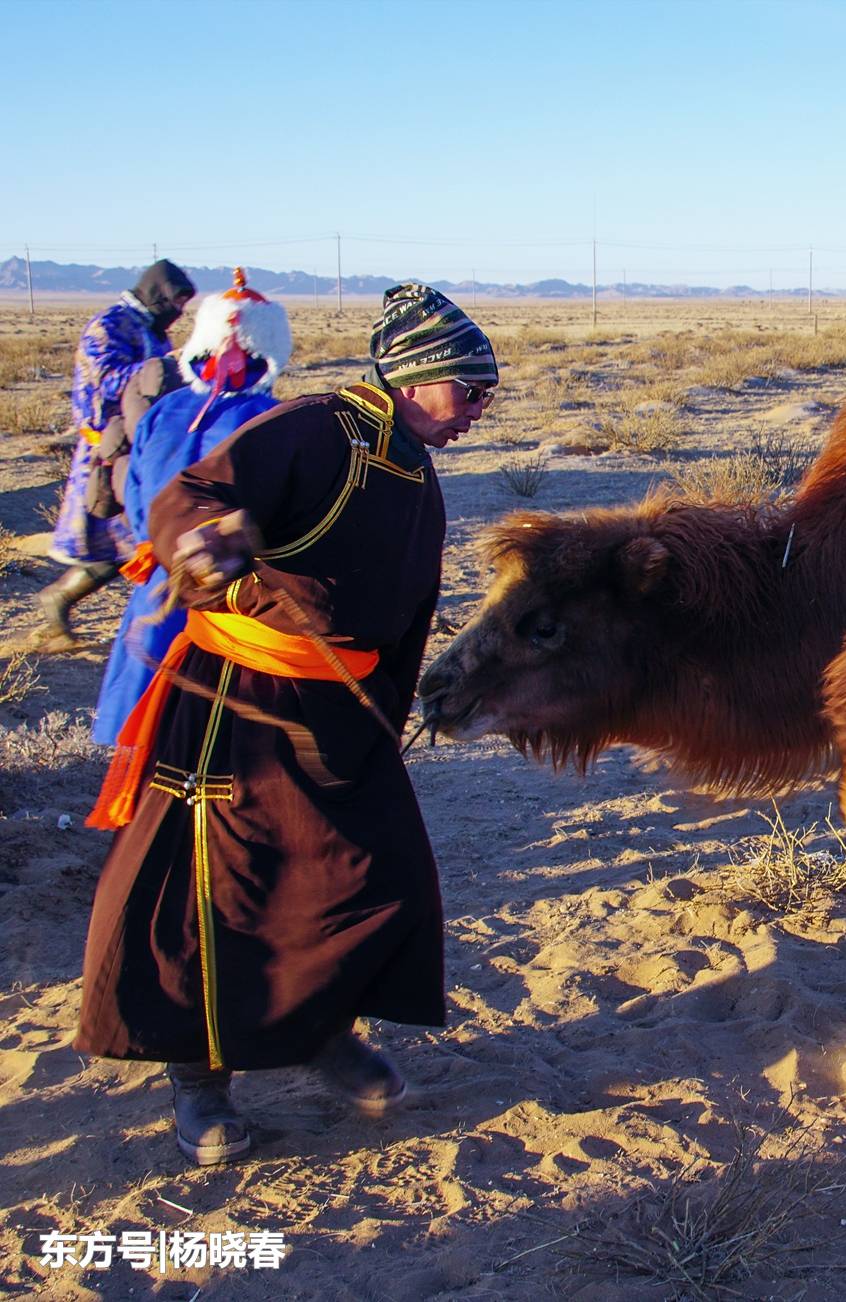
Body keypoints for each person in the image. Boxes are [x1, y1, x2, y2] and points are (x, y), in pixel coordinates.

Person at [75, 282, 497, 1165]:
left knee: (369, 877)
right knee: (216, 895)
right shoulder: (316, 427)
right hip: (237, 705)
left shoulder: (410, 466)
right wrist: (203, 540)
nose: (480, 409)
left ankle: (315, 1029)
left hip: (340, 716)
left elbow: (399, 615)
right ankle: (198, 1089)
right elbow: (197, 491)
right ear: (416, 378)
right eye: (469, 388)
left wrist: (386, 717)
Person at [92, 270, 291, 744]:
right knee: (206, 725)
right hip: (222, 597)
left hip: (157, 582)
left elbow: (139, 498)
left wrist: (155, 545)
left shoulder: (163, 410)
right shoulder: (269, 419)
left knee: (147, 712)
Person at [38, 260, 198, 650]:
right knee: (125, 540)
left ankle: (68, 602)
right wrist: (162, 368)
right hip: (106, 449)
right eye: (175, 301)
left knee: (135, 540)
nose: (178, 311)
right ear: (157, 293)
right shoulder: (108, 326)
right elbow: (106, 380)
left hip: (139, 446)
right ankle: (59, 599)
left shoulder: (150, 330)